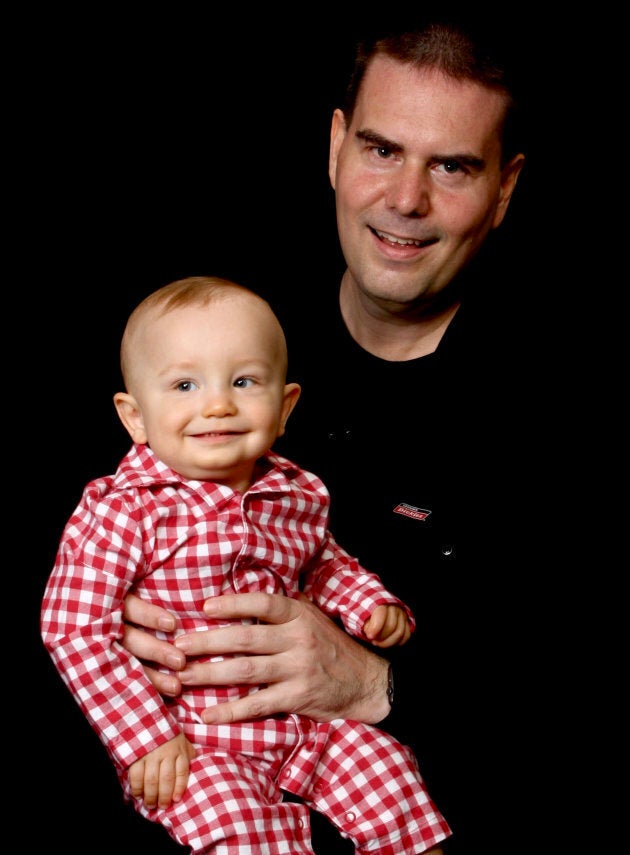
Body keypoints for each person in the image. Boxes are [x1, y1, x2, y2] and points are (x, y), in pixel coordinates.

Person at [112, 18, 539, 853]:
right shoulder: (220, 329)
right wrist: (127, 627)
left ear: (505, 189)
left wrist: (376, 681)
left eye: (452, 166)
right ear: (337, 146)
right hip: (203, 786)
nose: (406, 199)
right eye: (382, 150)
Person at [41, 276, 451, 854]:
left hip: (305, 720)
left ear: (285, 407)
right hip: (195, 738)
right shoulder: (123, 510)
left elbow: (323, 564)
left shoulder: (296, 493)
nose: (217, 403)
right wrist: (143, 738)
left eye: (243, 381)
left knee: (390, 774)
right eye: (184, 384)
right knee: (234, 827)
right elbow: (74, 628)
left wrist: (368, 605)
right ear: (135, 417)